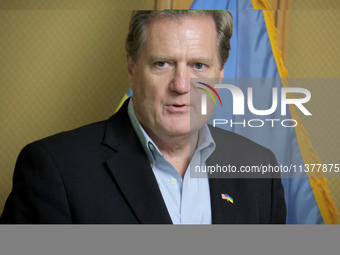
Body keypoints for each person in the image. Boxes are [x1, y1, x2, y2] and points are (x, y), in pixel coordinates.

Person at [0, 10, 286, 224]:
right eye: (162, 64)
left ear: (220, 75)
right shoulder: (54, 168)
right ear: (132, 67)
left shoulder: (259, 167)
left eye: (199, 65)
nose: (182, 85)